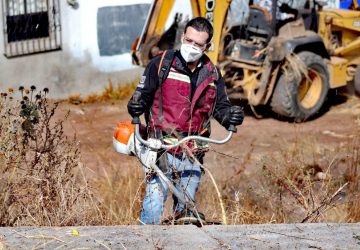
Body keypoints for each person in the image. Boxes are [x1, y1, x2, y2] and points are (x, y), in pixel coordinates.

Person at [127, 17, 244, 225]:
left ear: (207, 46)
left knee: (186, 213)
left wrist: (230, 117)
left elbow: (220, 108)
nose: (191, 47)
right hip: (160, 148)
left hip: (192, 154)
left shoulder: (212, 74)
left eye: (198, 44)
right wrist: (135, 105)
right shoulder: (161, 65)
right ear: (182, 37)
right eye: (189, 40)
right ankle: (145, 242)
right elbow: (142, 96)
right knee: (153, 204)